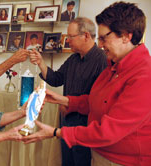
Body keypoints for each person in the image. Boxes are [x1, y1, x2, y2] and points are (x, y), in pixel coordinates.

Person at [25, 2, 151, 166]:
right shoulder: (111, 65)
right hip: (95, 148)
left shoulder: (143, 75)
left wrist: (56, 132)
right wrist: (62, 100)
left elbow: (109, 131)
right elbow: (94, 101)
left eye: (104, 38)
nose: (100, 44)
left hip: (117, 157)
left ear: (127, 36)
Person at [29, 17, 107, 166]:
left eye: (70, 37)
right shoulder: (73, 59)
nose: (67, 41)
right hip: (67, 124)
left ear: (86, 36)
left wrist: (68, 103)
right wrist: (41, 62)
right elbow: (56, 79)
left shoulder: (102, 60)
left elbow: (100, 100)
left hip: (87, 128)